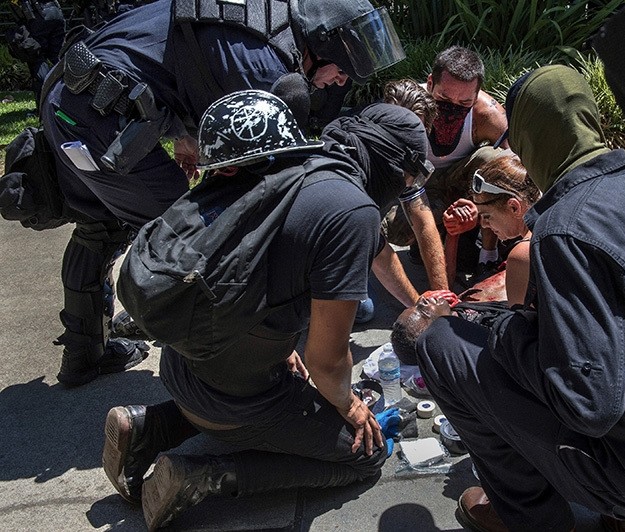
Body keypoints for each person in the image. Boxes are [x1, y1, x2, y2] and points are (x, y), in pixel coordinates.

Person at [415, 65, 625, 532]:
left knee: (442, 343)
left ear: (529, 140)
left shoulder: (567, 227)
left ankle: (533, 518)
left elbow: (585, 403)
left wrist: (510, 330)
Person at [101, 95, 433, 530]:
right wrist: (350, 406)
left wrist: (419, 304)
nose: (407, 191)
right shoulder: (353, 211)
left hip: (185, 358)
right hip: (234, 399)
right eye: (409, 180)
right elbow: (327, 363)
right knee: (365, 455)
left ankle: (150, 427)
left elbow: (365, 255)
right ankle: (203, 478)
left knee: (268, 389)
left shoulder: (300, 164)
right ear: (392, 167)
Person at [36, 0, 405, 386]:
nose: (341, 81)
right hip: (97, 115)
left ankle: (83, 356)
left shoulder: (264, 21)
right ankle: (221, 353)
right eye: (342, 69)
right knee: (187, 233)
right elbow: (271, 187)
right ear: (321, 42)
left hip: (73, 96)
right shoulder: (264, 69)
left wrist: (181, 133)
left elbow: (170, 59)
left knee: (100, 224)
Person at [382, 46, 509, 276]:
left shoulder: (488, 115)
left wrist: (484, 205)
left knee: (496, 162)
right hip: (420, 185)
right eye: (443, 98)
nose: (452, 109)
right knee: (396, 229)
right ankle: (425, 239)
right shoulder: (409, 107)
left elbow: (517, 171)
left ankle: (488, 256)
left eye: (463, 104)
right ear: (430, 83)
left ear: (477, 93)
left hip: (462, 184)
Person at [378, 78, 448, 293]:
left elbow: (422, 221)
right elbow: (372, 245)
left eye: (411, 131)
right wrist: (419, 305)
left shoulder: (409, 161)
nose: (401, 139)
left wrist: (442, 295)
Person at [442, 152, 540, 306]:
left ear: (514, 207)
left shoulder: (522, 255)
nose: (484, 225)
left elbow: (521, 323)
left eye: (487, 216)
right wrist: (453, 234)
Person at [4, 0, 65, 110]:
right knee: (59, 57)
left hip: (37, 16)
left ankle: (44, 106)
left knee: (36, 57)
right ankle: (68, 100)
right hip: (56, 12)